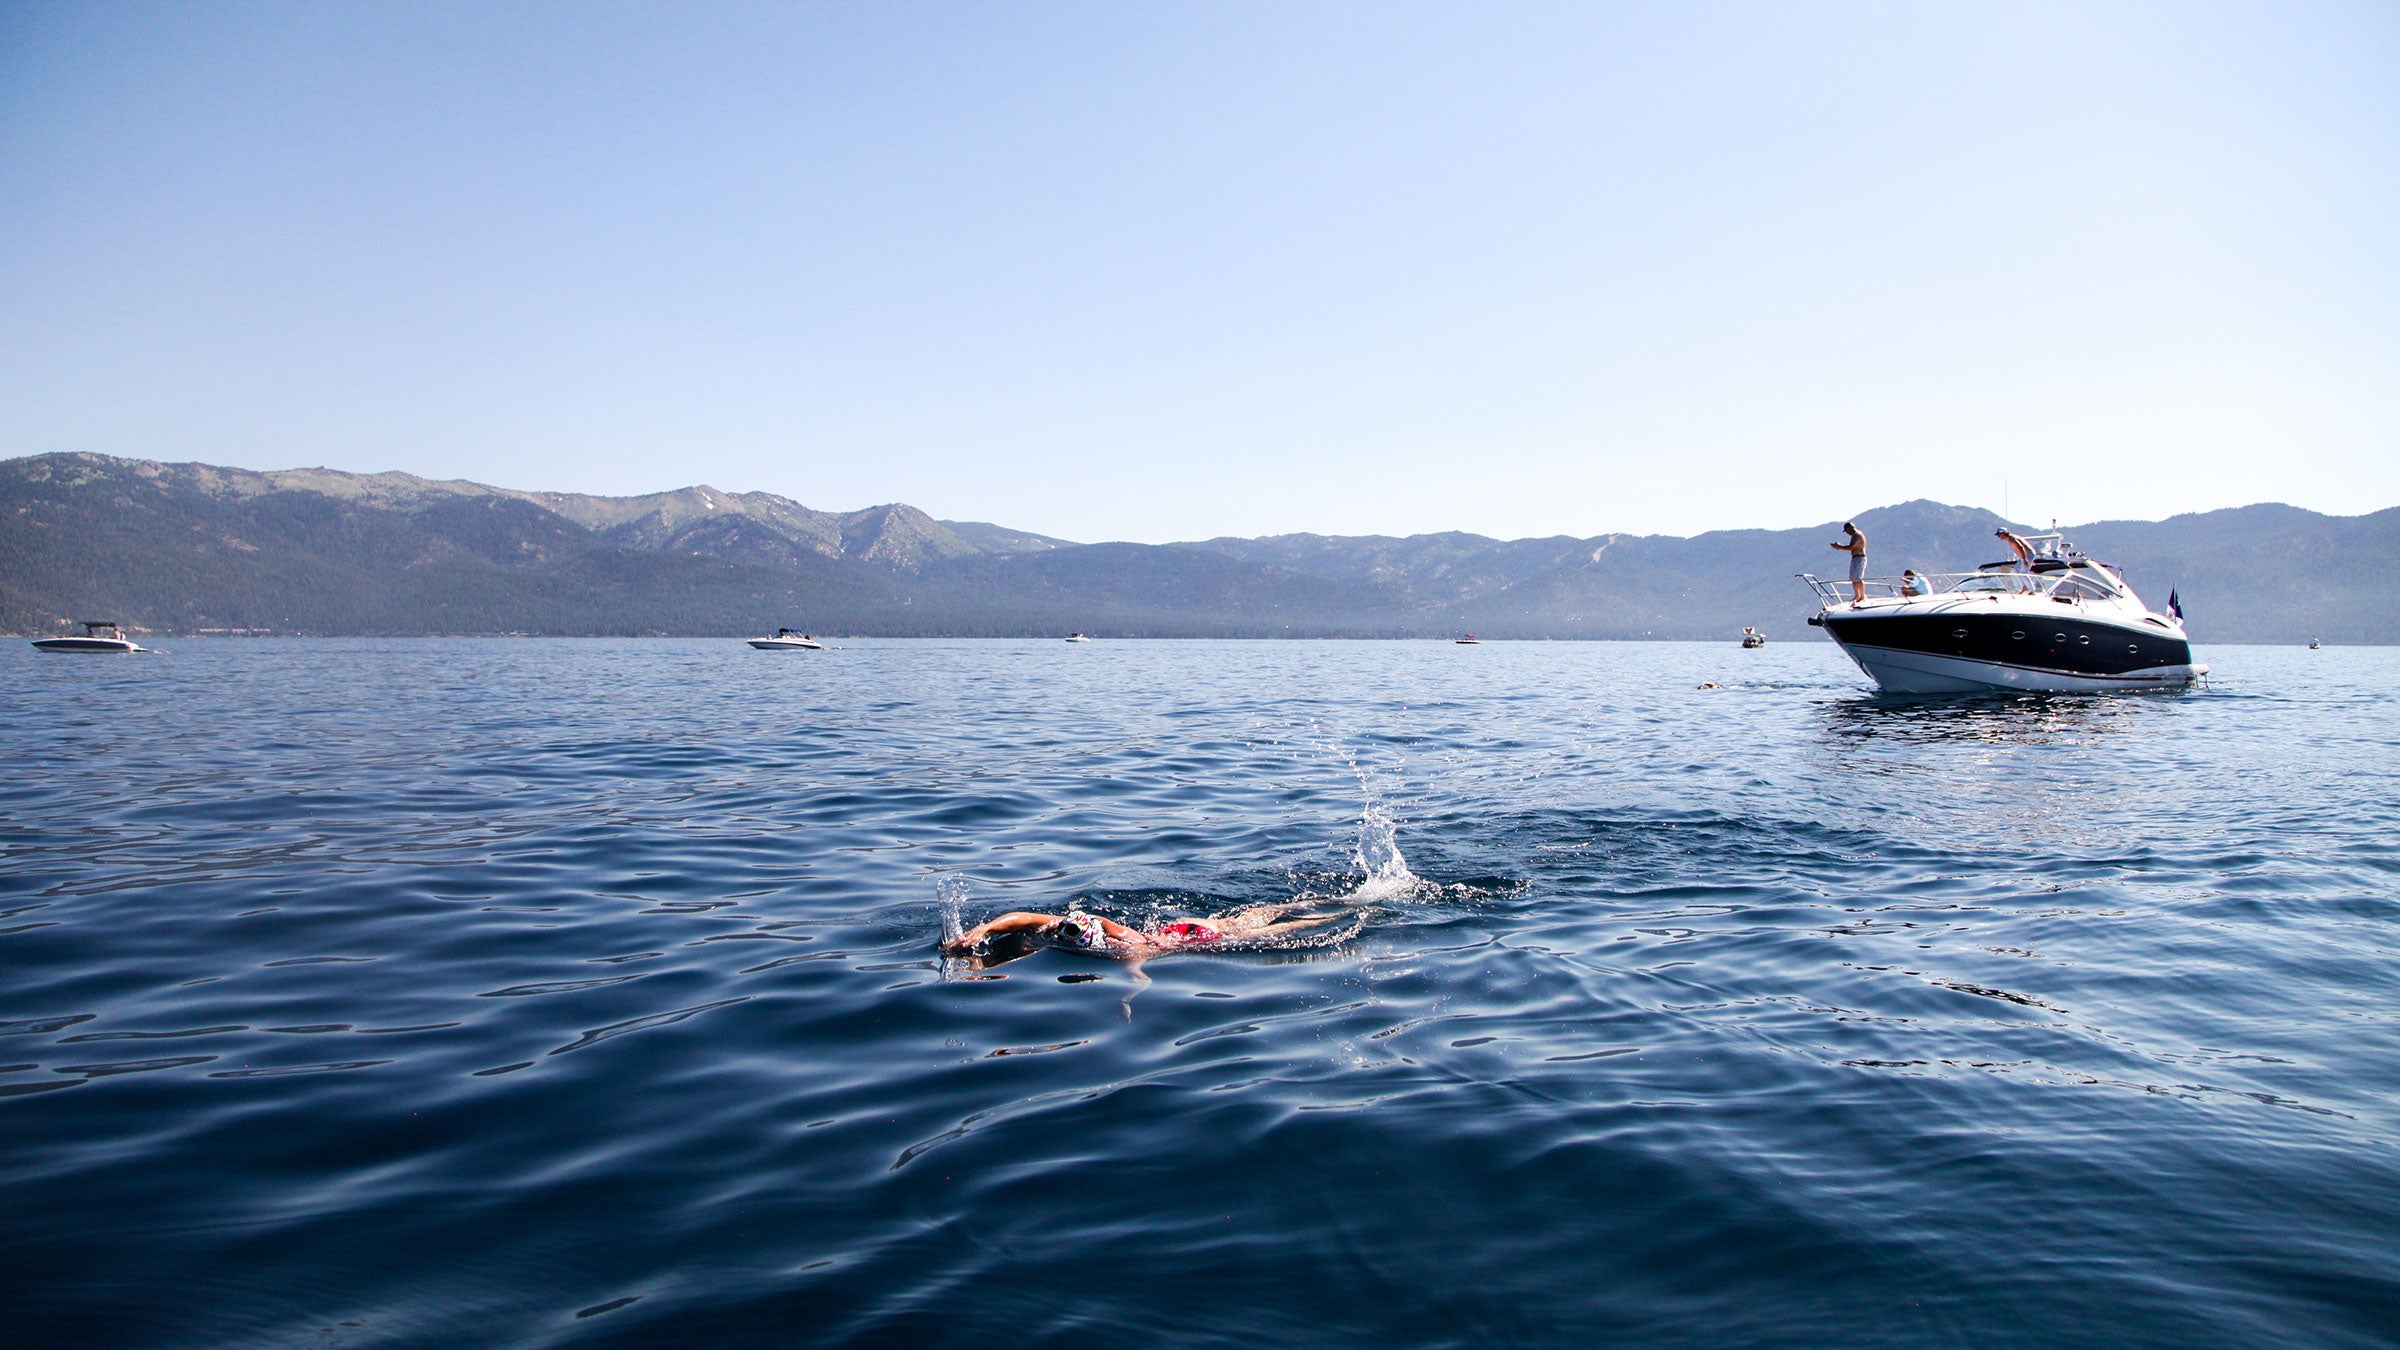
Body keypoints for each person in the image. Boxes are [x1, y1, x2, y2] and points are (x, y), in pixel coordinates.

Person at [942, 902, 1340, 963]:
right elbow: (1022, 917)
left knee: (1261, 933)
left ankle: (1329, 917)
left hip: (1190, 938)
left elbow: (1138, 974)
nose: (1056, 929)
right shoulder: (1099, 926)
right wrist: (983, 928)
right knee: (1244, 919)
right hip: (1181, 929)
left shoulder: (1125, 953)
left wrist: (1128, 1002)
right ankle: (1321, 904)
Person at [1831, 522, 1868, 602]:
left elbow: (1851, 547)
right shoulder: (1855, 535)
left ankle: (1863, 596)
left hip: (1859, 558)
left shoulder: (1856, 535)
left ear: (1850, 528)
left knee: (1858, 578)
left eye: (1847, 530)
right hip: (1855, 558)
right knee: (1853, 578)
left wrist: (1839, 547)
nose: (1847, 533)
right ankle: (1857, 595)